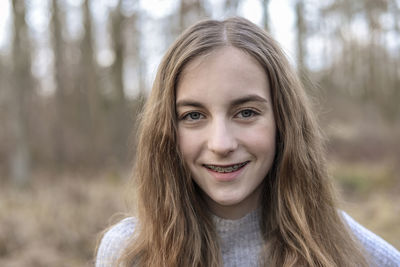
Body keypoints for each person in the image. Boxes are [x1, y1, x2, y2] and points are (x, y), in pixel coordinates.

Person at [96, 17, 400, 266]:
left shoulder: (341, 245)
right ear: (165, 132)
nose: (221, 144)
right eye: (193, 116)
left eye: (245, 112)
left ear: (283, 122)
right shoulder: (127, 254)